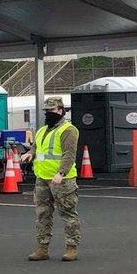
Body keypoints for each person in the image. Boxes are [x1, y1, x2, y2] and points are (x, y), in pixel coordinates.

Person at [22, 97, 81, 262]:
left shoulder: (68, 130)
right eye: (46, 111)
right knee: (42, 214)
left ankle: (71, 247)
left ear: (61, 110)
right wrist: (30, 153)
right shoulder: (42, 130)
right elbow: (37, 146)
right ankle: (42, 247)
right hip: (42, 177)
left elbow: (69, 154)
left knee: (68, 213)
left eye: (52, 110)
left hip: (62, 179)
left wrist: (61, 173)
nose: (48, 114)